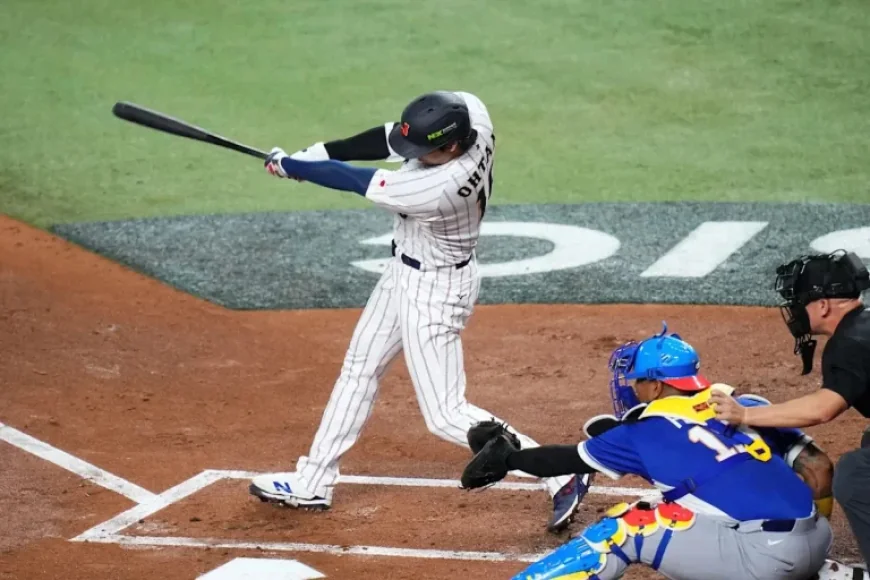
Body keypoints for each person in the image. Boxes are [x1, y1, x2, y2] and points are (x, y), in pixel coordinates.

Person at [247, 90, 588, 533]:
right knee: (359, 369)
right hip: (404, 273)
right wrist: (319, 153)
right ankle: (314, 480)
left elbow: (354, 180)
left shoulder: (437, 189)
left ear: (452, 147)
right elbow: (391, 138)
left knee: (446, 414)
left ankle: (562, 471)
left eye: (422, 150)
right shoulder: (473, 115)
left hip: (435, 290)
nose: (412, 153)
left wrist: (296, 167)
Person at [461, 325, 835, 580]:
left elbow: (557, 461)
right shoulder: (745, 405)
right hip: (818, 542)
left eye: (637, 380)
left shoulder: (641, 433)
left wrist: (509, 458)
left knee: (629, 526)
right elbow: (819, 468)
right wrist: (805, 543)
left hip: (765, 560)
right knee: (685, 501)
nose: (631, 387)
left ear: (656, 387)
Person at [712, 250, 870, 569]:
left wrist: (745, 415)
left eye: (799, 301)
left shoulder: (849, 343)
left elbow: (824, 408)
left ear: (823, 305)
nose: (795, 309)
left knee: (856, 475)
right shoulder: (862, 326)